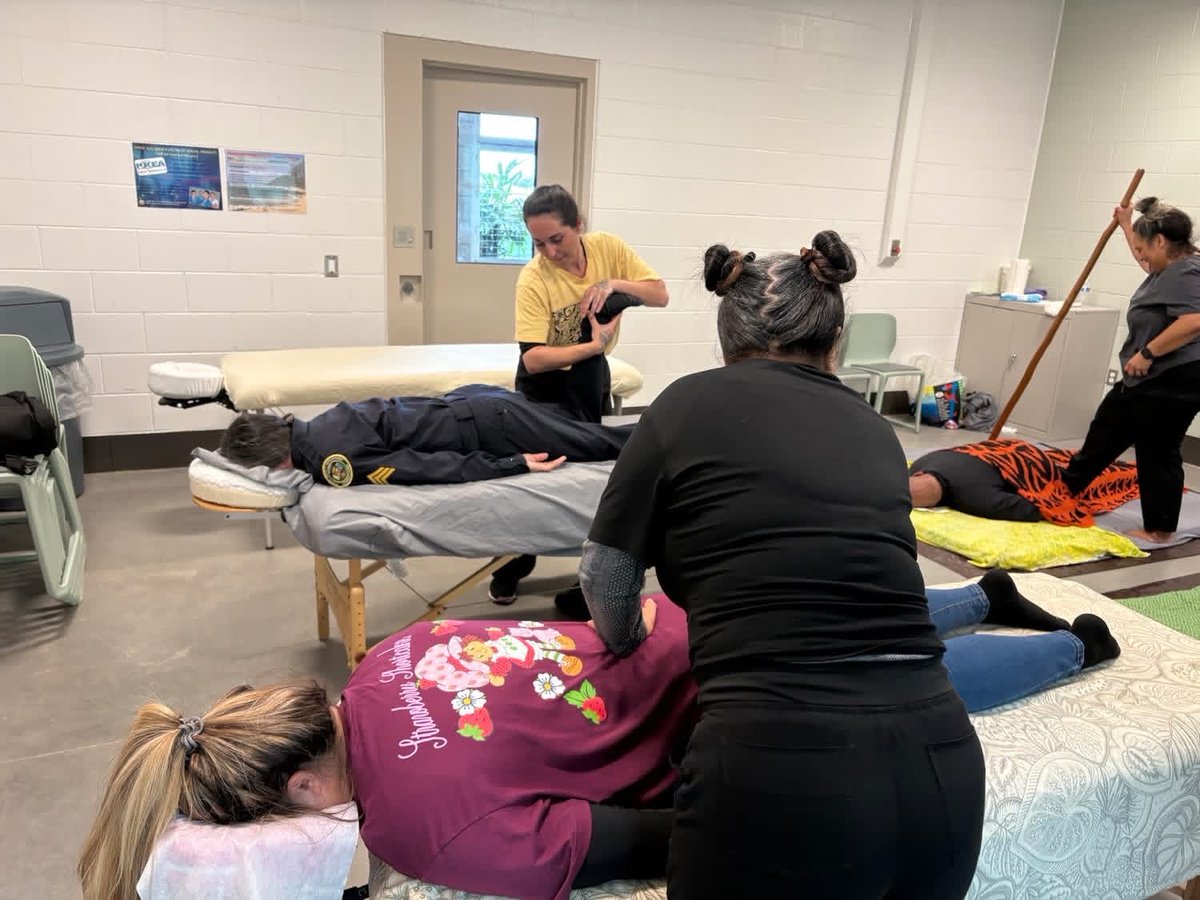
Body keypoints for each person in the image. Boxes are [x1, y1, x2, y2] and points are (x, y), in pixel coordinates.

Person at [80, 572, 1118, 900]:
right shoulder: (385, 654)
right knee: (834, 625)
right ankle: (980, 592)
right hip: (684, 627)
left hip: (716, 714)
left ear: (301, 792)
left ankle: (1078, 646)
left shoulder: (421, 835)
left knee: (904, 694)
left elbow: (652, 842)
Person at [581, 233, 990, 899]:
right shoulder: (874, 428)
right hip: (942, 758)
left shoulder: (684, 405)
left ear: (724, 343)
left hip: (776, 763)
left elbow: (606, 575)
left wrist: (625, 641)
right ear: (837, 344)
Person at [493, 184, 669, 604]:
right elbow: (533, 359)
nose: (550, 252)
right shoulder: (533, 278)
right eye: (538, 243)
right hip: (543, 383)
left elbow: (659, 294)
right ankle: (518, 560)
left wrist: (612, 285)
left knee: (588, 479)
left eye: (558, 239)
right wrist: (592, 345)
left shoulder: (607, 248)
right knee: (537, 478)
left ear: (579, 226)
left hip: (589, 377)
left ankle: (584, 579)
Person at [1064, 197, 1200, 543]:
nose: (1140, 255)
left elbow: (1195, 320)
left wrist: (1148, 352)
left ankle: (1159, 529)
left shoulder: (1186, 271)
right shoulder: (1169, 267)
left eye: (1143, 247)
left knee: (1157, 450)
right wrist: (1127, 226)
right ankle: (1067, 490)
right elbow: (1149, 264)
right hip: (1145, 376)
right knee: (1107, 429)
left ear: (1161, 241)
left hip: (1174, 377)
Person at [217, 383, 632, 488]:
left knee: (602, 444)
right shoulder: (320, 424)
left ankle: (673, 430)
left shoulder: (330, 463)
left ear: (274, 460)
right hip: (477, 403)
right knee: (587, 433)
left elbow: (425, 466)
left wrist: (510, 463)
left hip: (489, 425)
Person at [910, 439, 1140, 526]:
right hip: (1013, 449)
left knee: (1103, 477)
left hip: (1027, 461)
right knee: (1077, 459)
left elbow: (1033, 510)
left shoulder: (976, 497)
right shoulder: (921, 462)